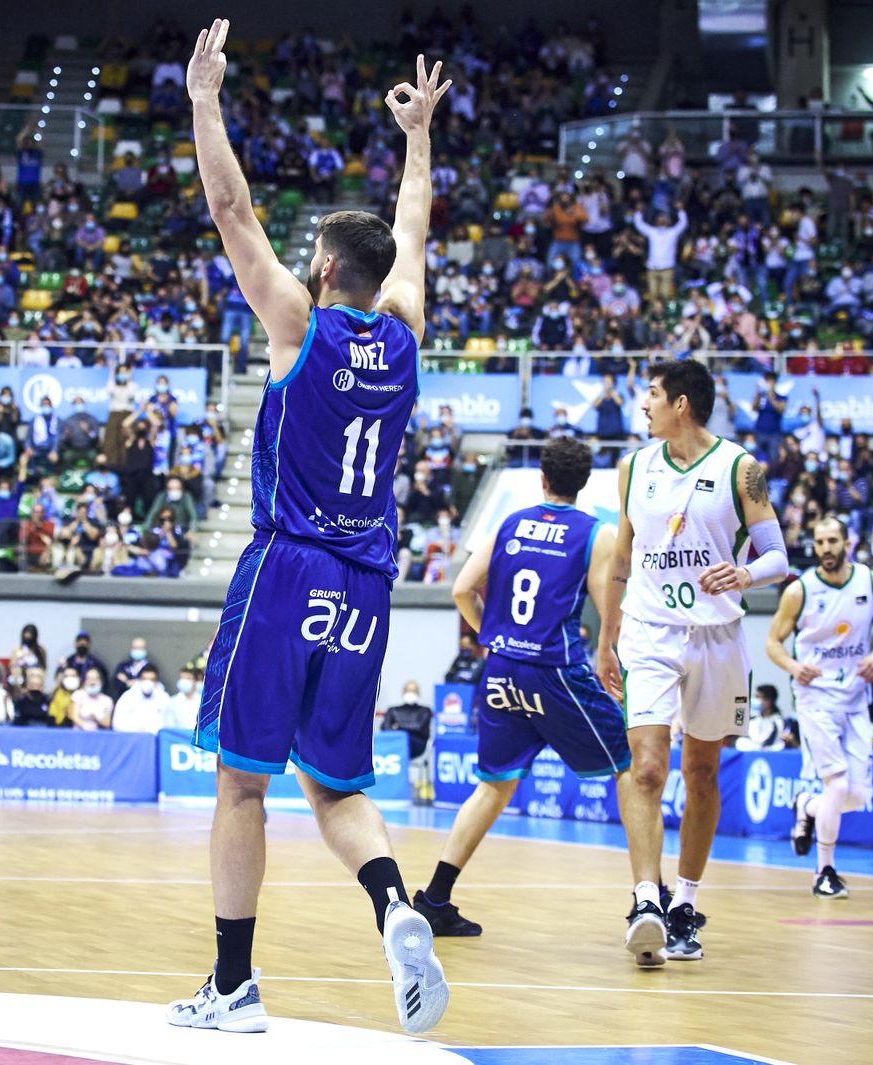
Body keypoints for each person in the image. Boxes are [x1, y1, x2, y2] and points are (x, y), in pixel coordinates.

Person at [168, 24, 448, 1036]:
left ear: (325, 265)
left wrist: (205, 101)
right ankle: (391, 905)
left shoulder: (295, 321)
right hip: (368, 587)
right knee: (335, 789)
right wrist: (418, 138)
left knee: (241, 784)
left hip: (287, 567)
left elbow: (228, 206)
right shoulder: (404, 328)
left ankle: (233, 986)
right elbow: (410, 236)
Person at [597, 359, 785, 966]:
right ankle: (645, 899)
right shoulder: (633, 467)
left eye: (650, 395)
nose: (641, 405)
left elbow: (778, 554)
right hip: (650, 631)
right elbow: (620, 561)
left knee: (702, 773)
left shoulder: (742, 468)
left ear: (681, 403)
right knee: (647, 769)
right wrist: (607, 636)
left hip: (717, 636)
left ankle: (685, 901)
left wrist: (747, 571)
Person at [413, 438, 628, 938]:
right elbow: (607, 609)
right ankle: (654, 899)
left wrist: (491, 634)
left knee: (493, 784)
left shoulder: (508, 523)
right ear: (583, 483)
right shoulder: (596, 533)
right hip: (553, 670)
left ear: (542, 478)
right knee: (632, 767)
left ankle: (436, 897)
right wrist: (608, 652)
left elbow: (461, 589)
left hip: (502, 667)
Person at [766, 518, 873, 901]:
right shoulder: (799, 591)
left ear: (848, 543)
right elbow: (773, 642)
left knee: (855, 796)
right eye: (819, 542)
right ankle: (825, 871)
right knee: (836, 784)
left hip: (855, 695)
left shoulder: (872, 583)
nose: (825, 548)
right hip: (815, 696)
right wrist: (793, 667)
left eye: (832, 540)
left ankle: (806, 807)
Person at [113, 667, 171, 732]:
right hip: (133, 738)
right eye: (144, 679)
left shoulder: (164, 698)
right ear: (139, 680)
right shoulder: (127, 697)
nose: (148, 682)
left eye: (152, 680)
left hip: (157, 738)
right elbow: (117, 724)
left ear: (156, 682)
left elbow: (169, 723)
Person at [736, 686, 787, 752]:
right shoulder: (753, 719)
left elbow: (773, 740)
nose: (755, 700)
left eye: (758, 697)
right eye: (755, 697)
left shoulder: (778, 721)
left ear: (769, 700)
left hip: (769, 749)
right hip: (752, 748)